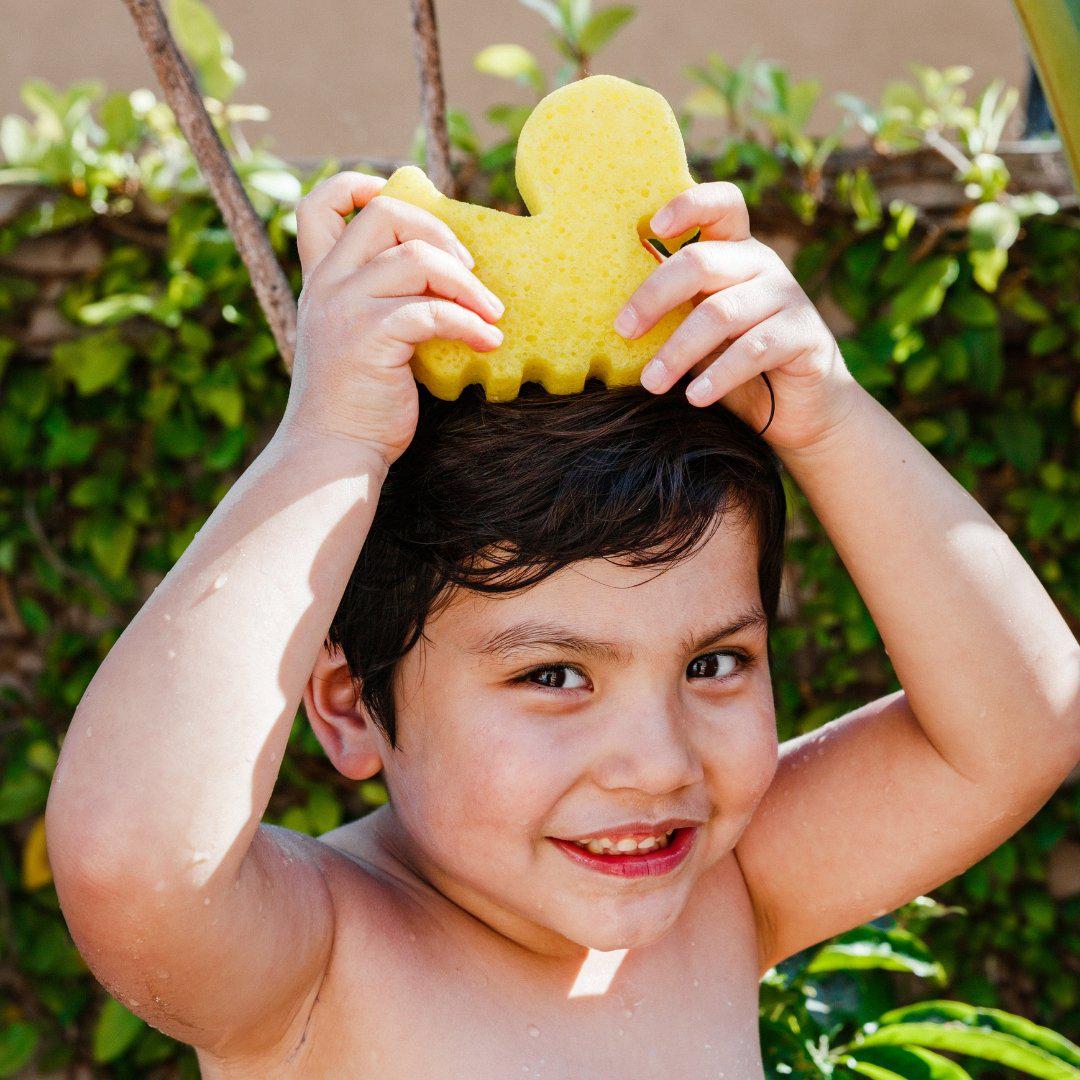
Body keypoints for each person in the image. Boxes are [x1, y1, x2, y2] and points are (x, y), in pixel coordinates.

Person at [45, 172, 1079, 1078]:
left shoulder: (721, 900)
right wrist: (331, 439)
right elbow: (130, 864)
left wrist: (826, 414)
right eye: (553, 676)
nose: (655, 761)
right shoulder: (317, 960)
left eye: (715, 661)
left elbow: (1023, 722)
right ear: (351, 703)